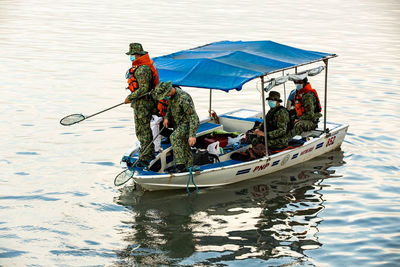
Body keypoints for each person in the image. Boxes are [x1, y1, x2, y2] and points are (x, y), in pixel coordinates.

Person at [124, 43, 159, 167]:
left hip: (143, 105)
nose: (131, 57)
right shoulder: (144, 65)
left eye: (132, 55)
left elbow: (144, 89)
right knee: (144, 129)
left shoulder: (142, 69)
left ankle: (145, 156)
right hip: (144, 103)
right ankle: (148, 152)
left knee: (142, 130)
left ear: (137, 54)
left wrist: (130, 97)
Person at [153, 81, 200, 172]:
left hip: (188, 123)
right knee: (184, 144)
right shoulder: (171, 97)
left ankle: (180, 166)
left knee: (174, 137)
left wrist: (192, 135)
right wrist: (166, 118)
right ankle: (189, 165)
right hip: (178, 123)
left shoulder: (183, 98)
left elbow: (193, 117)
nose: (165, 98)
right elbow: (169, 109)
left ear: (169, 91)